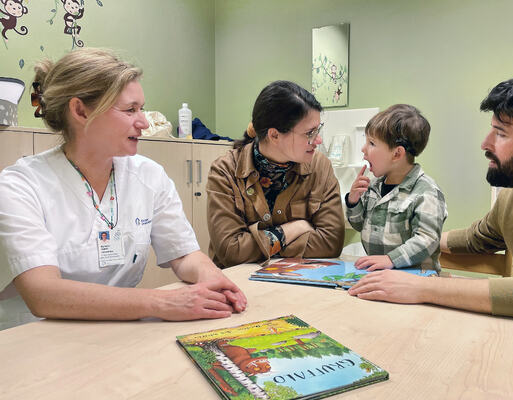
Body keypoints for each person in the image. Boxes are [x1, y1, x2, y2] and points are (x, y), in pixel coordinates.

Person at [348, 74, 513, 397]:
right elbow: (476, 238)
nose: (485, 143)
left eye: (500, 133)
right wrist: (413, 242)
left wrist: (424, 286)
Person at [0, 48, 246, 331]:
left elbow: (184, 254)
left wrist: (211, 278)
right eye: (130, 110)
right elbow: (43, 294)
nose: (144, 122)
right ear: (80, 111)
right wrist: (162, 303)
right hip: (35, 338)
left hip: (119, 331)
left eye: (141, 108)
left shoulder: (148, 175)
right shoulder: (21, 185)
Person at [206, 80, 345, 268]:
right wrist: (292, 230)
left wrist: (259, 245)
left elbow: (330, 244)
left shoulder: (320, 167)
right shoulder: (225, 171)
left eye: (318, 130)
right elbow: (231, 252)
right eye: (310, 133)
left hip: (296, 282)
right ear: (274, 136)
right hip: (236, 285)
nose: (318, 140)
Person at [345, 104, 447, 273]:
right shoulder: (374, 186)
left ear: (397, 154)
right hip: (380, 276)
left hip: (417, 281)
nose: (363, 149)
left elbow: (427, 239)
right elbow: (358, 225)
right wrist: (353, 200)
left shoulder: (426, 192)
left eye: (371, 143)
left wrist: (390, 259)